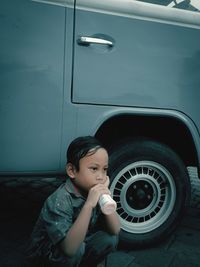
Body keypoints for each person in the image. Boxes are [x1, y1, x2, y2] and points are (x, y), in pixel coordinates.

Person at [25, 136, 121, 267]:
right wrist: (89, 204)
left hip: (77, 243)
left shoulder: (94, 191)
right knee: (76, 250)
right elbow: (69, 249)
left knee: (110, 239)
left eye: (104, 169)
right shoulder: (60, 199)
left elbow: (115, 229)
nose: (101, 176)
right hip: (47, 254)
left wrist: (106, 198)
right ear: (72, 171)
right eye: (94, 169)